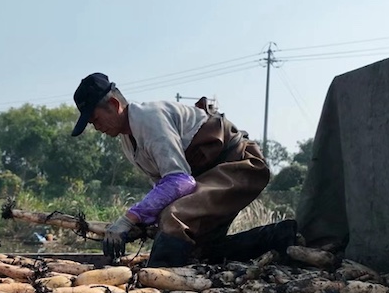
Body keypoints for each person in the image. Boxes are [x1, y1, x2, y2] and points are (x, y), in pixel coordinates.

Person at [71, 72, 297, 267]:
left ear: (114, 105)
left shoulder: (149, 119)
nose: (97, 127)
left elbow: (180, 182)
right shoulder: (128, 141)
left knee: (174, 218)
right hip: (206, 175)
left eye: (95, 119)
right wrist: (145, 223)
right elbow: (163, 186)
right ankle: (279, 237)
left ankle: (157, 283)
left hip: (236, 166)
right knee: (201, 250)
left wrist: (129, 218)